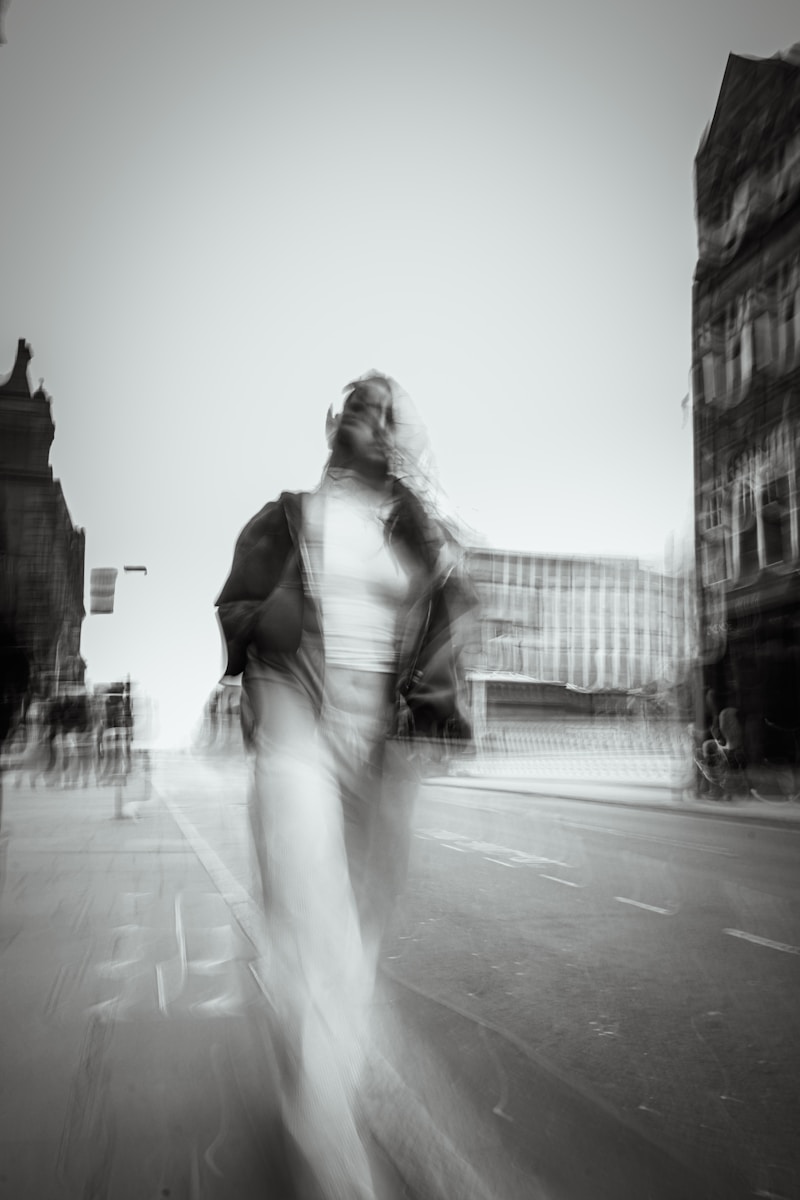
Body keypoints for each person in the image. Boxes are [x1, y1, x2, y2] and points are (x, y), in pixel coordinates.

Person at [215, 370, 474, 1200]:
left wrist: (435, 704)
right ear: (334, 425)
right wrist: (258, 633)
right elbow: (238, 602)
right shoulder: (287, 515)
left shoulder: (419, 533)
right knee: (322, 944)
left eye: (381, 407)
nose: (362, 412)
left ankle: (306, 1055)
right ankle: (334, 1167)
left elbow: (447, 616)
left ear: (397, 434)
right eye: (353, 402)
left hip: (380, 755)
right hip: (298, 722)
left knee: (347, 961)